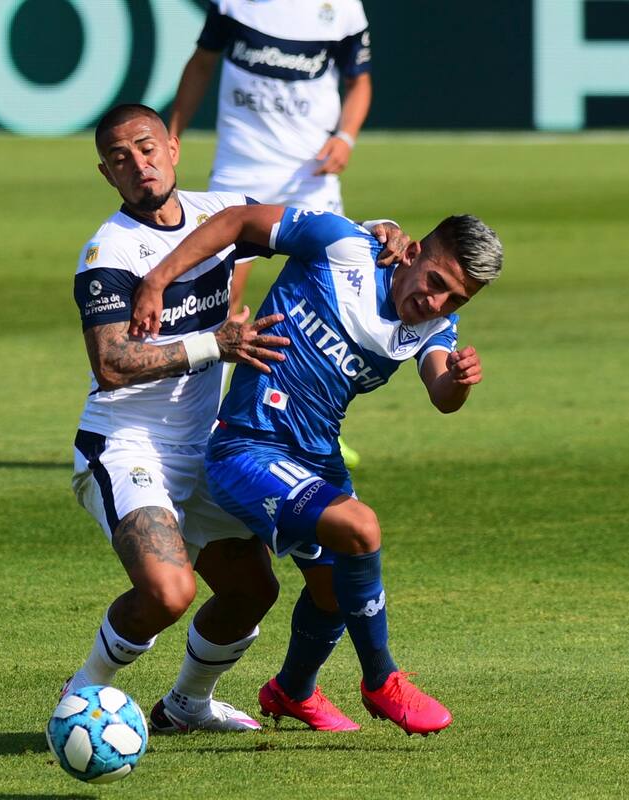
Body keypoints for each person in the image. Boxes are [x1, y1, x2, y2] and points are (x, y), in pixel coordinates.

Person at [129, 206, 502, 735]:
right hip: (246, 447)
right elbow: (238, 221)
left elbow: (441, 392)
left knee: (333, 591)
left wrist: (461, 380)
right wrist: (157, 279)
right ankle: (382, 679)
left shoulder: (437, 325)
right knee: (361, 527)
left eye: (455, 298)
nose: (434, 302)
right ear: (414, 252)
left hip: (314, 457)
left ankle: (292, 691)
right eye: (436, 282)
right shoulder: (341, 244)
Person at [66, 103, 290, 734]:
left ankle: (186, 705)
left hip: (202, 451)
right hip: (124, 445)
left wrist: (377, 228)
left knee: (253, 592)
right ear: (107, 175)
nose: (138, 165)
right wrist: (213, 345)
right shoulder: (108, 251)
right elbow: (111, 363)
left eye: (146, 148)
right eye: (119, 159)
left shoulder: (220, 213)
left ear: (173, 147)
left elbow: (307, 231)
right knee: (169, 593)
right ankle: (80, 693)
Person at [169, 0, 373, 467]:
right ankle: (199, 431)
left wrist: (345, 137)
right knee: (216, 302)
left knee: (332, 309)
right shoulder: (233, 3)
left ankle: (314, 428)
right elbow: (201, 65)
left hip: (310, 177)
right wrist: (172, 133)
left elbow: (359, 81)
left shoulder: (341, 9)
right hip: (240, 169)